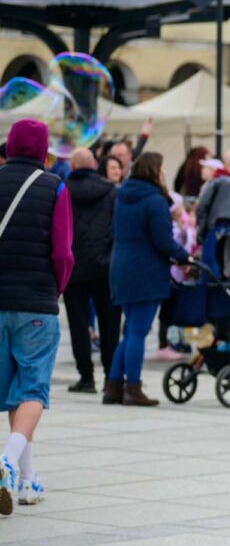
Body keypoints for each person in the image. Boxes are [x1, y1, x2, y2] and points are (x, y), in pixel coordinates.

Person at [0, 120, 73, 515]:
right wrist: (57, 286)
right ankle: (7, 461)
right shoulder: (54, 186)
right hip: (35, 302)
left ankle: (27, 480)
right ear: (43, 150)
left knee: (12, 390)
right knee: (32, 389)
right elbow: (62, 251)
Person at [107, 152, 195, 408]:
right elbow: (163, 240)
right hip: (145, 271)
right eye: (163, 168)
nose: (164, 173)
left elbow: (115, 231)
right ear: (154, 170)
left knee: (130, 330)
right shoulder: (155, 200)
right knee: (137, 331)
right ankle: (133, 388)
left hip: (121, 267)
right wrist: (184, 256)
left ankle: (113, 386)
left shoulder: (122, 196)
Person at [61, 148, 118, 396]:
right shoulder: (111, 190)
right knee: (109, 323)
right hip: (105, 266)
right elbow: (116, 227)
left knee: (78, 323)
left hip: (73, 266)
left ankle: (86, 377)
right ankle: (110, 376)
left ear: (72, 166)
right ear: (95, 165)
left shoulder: (61, 189)